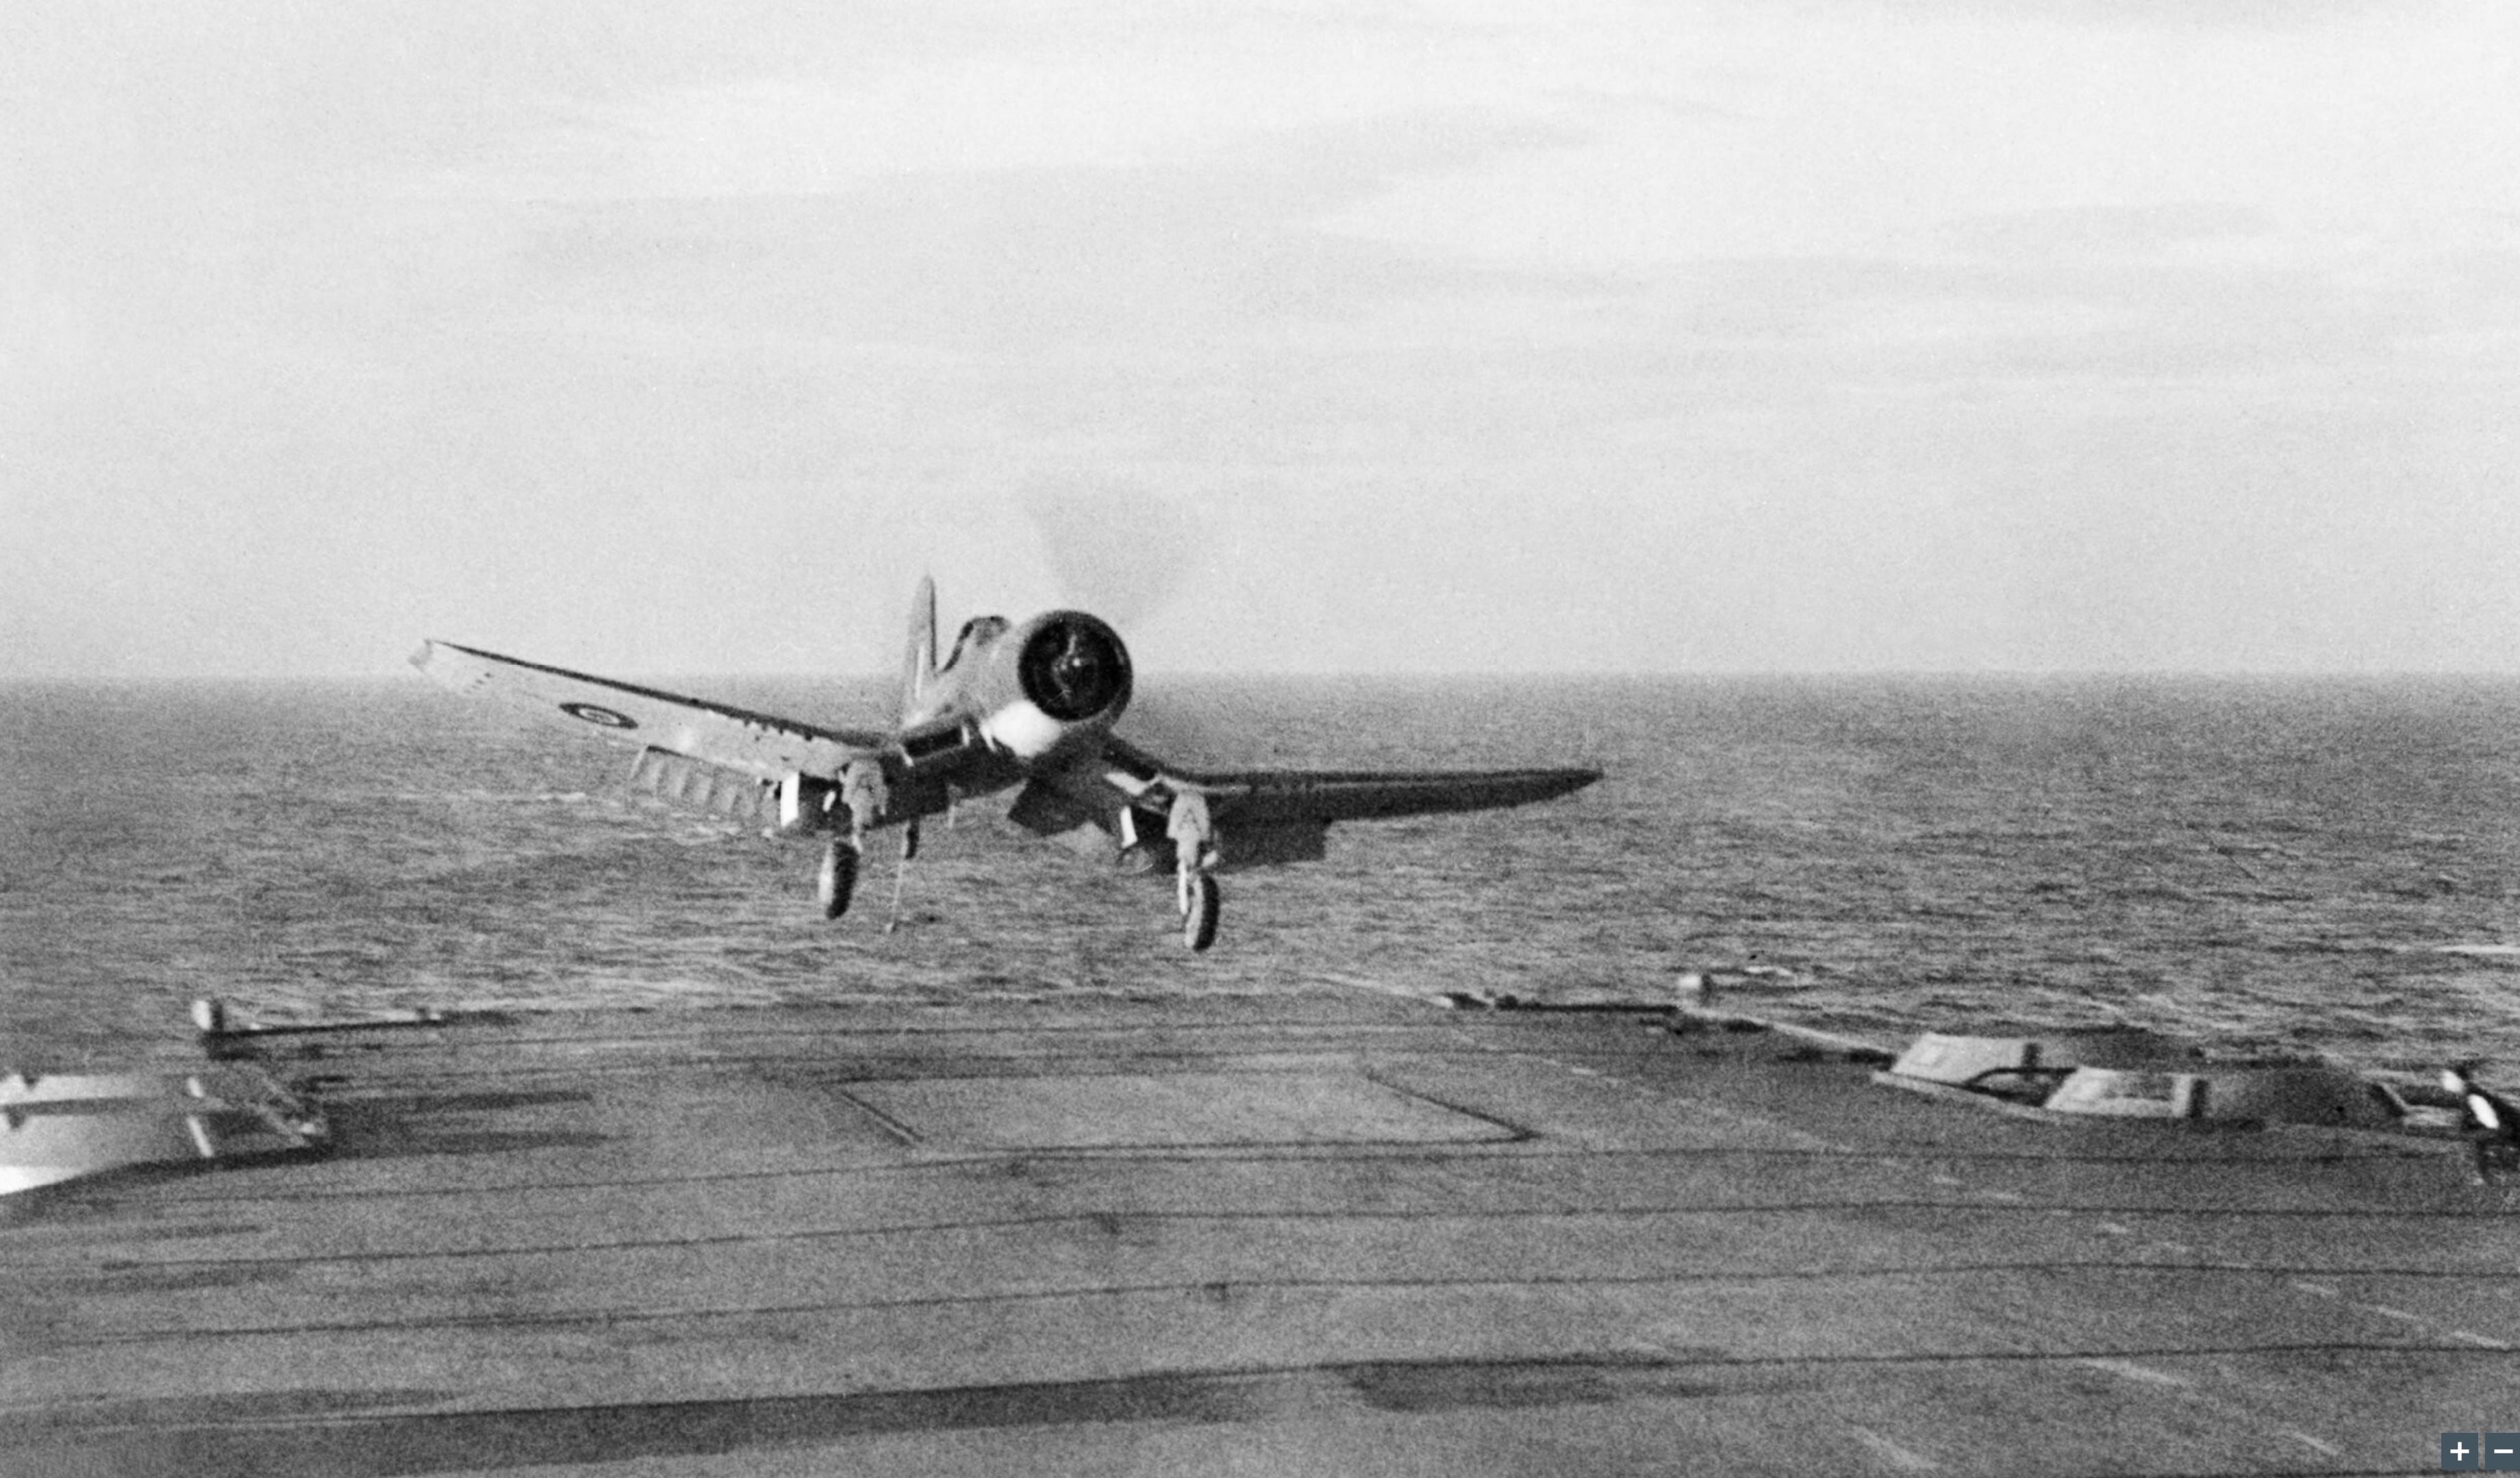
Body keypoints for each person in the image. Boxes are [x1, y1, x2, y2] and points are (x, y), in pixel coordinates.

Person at [2441, 1062, 2520, 1184]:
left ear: (2460, 1080)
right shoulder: (2469, 1093)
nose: (2444, 1081)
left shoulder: (2473, 1096)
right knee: (2475, 1137)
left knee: (2475, 1139)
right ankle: (2489, 1174)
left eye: (2448, 1078)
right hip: (2510, 1128)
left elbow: (2493, 1124)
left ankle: (2487, 1177)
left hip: (2512, 1130)